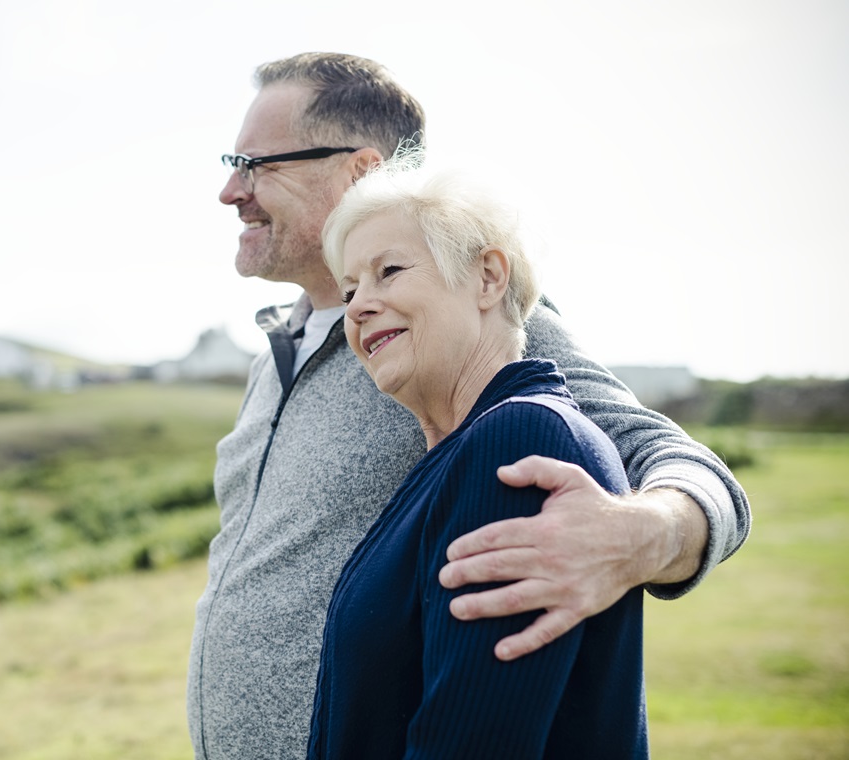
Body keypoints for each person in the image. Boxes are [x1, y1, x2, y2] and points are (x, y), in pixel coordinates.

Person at [187, 52, 749, 760]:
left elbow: (677, 461)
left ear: (361, 171)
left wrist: (645, 535)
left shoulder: (467, 320)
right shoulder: (276, 352)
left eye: (254, 163)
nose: (230, 190)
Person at [308, 157, 646, 758]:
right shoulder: (452, 458)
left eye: (389, 271)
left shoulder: (518, 440)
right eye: (351, 289)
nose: (358, 307)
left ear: (488, 277)